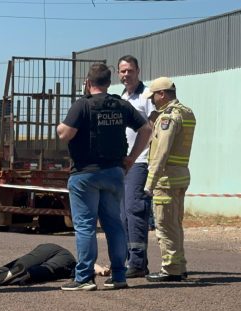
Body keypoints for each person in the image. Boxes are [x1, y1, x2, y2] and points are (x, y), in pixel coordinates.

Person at [56, 63, 152, 291]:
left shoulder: (82, 105)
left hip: (85, 174)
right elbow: (147, 129)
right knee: (114, 224)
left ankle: (84, 278)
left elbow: (65, 134)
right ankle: (119, 275)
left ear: (88, 83)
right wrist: (131, 158)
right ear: (109, 83)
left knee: (86, 226)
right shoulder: (121, 105)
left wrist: (61, 126)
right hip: (114, 172)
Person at [142, 77, 196, 282]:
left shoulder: (168, 117)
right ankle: (179, 266)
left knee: (165, 225)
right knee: (175, 223)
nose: (153, 101)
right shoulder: (186, 112)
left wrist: (150, 183)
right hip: (180, 176)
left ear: (162, 94)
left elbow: (161, 153)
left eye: (154, 97)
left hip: (166, 179)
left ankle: (171, 269)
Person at [118, 55, 155, 278]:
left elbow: (152, 128)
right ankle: (126, 260)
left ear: (138, 71)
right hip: (123, 163)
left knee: (135, 210)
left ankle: (138, 263)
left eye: (130, 70)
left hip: (140, 161)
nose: (126, 75)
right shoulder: (122, 97)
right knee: (121, 214)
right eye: (122, 71)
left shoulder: (147, 95)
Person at [0, 243, 110, 287]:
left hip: (46, 247)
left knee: (26, 261)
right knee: (48, 270)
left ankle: (3, 271)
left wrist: (101, 269)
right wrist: (103, 270)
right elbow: (88, 265)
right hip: (65, 258)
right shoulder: (71, 263)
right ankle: (22, 276)